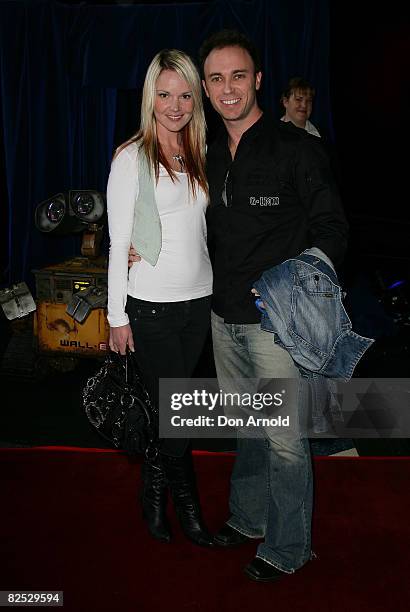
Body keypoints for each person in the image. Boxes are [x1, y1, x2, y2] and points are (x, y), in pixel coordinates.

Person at [198, 30, 348, 581]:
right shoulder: (208, 153)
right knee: (247, 429)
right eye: (216, 79)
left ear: (258, 80)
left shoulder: (297, 149)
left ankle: (287, 548)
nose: (228, 88)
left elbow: (333, 229)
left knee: (286, 442)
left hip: (275, 327)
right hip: (223, 320)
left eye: (238, 76)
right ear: (207, 89)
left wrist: (293, 286)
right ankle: (248, 518)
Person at [107, 49, 214, 547]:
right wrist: (115, 316)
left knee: (169, 407)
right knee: (176, 413)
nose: (175, 105)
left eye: (185, 94)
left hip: (200, 301)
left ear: (196, 97)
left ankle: (152, 489)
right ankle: (188, 509)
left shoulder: (198, 151)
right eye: (165, 94)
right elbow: (116, 242)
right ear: (151, 97)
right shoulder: (133, 156)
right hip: (149, 305)